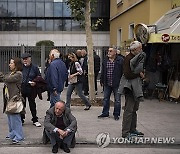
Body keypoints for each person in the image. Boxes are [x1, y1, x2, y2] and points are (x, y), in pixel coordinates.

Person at [119, 41, 145, 138]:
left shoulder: (137, 58)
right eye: (139, 48)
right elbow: (127, 74)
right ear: (134, 50)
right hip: (130, 88)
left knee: (134, 109)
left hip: (136, 87)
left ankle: (133, 129)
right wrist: (139, 74)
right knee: (129, 111)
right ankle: (125, 132)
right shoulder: (128, 58)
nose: (141, 50)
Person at [98, 47, 124, 120]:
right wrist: (102, 80)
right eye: (108, 51)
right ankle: (105, 113)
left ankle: (116, 114)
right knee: (106, 99)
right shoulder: (105, 60)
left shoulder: (120, 60)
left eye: (110, 51)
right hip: (107, 83)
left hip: (117, 83)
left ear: (115, 52)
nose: (108, 52)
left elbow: (123, 72)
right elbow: (103, 71)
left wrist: (122, 82)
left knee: (117, 100)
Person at [3, 57, 24, 144]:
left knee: (15, 118)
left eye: (11, 63)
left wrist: (2, 75)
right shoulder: (11, 73)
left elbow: (7, 79)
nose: (9, 64)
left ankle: (19, 136)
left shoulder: (18, 74)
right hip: (9, 98)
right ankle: (12, 134)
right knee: (10, 118)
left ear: (16, 65)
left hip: (15, 99)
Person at [21, 53, 41, 127]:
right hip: (22, 88)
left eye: (26, 59)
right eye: (23, 59)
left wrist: (35, 82)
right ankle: (21, 119)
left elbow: (39, 77)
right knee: (22, 105)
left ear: (30, 59)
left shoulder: (35, 68)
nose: (25, 60)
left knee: (32, 104)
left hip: (31, 89)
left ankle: (35, 119)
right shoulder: (21, 67)